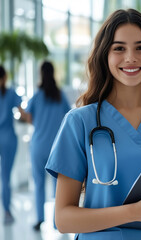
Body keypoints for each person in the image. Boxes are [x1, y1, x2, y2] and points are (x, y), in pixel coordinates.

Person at [45, 9, 141, 239]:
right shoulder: (80, 122)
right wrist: (134, 212)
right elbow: (63, 219)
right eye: (119, 48)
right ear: (105, 55)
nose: (131, 57)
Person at [25, 61, 70, 231]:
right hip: (56, 147)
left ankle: (39, 219)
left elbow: (29, 117)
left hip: (38, 146)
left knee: (39, 184)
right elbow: (68, 117)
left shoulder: (37, 96)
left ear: (41, 74)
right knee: (59, 185)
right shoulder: (60, 95)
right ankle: (56, 222)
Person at [0, 65, 26, 224]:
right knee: (5, 177)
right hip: (8, 139)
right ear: (5, 77)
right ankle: (7, 212)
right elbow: (23, 114)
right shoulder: (10, 93)